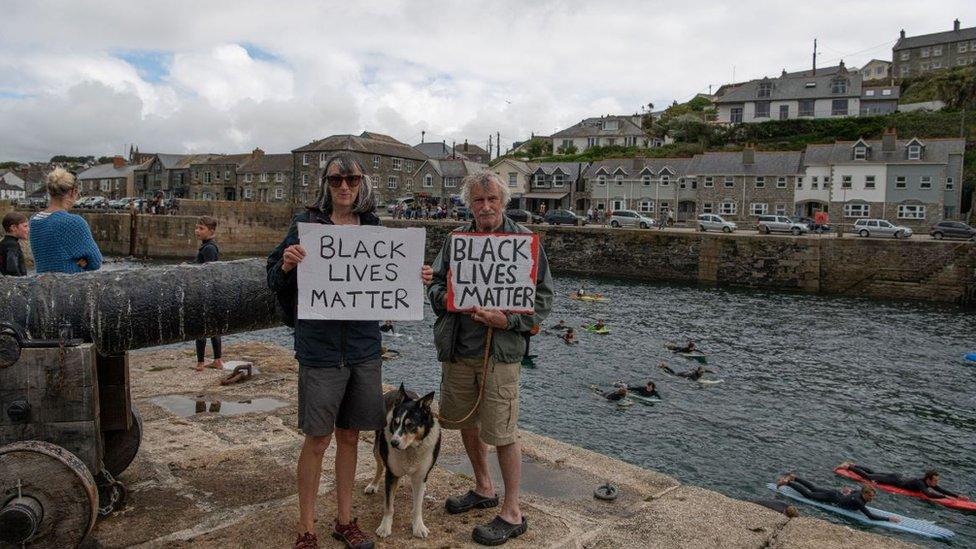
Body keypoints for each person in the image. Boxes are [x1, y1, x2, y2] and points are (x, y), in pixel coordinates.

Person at [267, 152, 433, 549]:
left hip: (363, 349)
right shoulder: (305, 226)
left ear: (362, 184)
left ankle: (344, 520)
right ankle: (306, 528)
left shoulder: (373, 227)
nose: (344, 187)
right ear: (326, 184)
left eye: (352, 180)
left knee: (349, 437)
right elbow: (273, 279)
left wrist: (417, 275)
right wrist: (288, 265)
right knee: (317, 440)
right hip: (320, 350)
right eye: (336, 180)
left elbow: (389, 279)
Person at [428, 171, 553, 546]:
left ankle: (512, 512)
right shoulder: (455, 241)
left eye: (492, 200)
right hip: (458, 351)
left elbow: (543, 300)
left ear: (503, 202)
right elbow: (435, 284)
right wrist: (446, 298)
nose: (485, 207)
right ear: (470, 204)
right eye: (478, 201)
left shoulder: (525, 242)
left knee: (502, 432)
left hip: (499, 355)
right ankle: (484, 488)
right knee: (466, 422)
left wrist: (508, 320)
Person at [29, 168, 103, 273]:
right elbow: (96, 262)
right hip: (68, 286)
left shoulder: (34, 220)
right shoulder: (73, 222)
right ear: (73, 192)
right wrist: (81, 261)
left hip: (42, 285)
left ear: (50, 191)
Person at [776, 474, 899, 523]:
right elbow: (870, 516)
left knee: (814, 488)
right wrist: (889, 519)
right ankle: (787, 483)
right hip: (831, 498)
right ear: (865, 494)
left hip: (835, 493)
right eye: (871, 496)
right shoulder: (858, 501)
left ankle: (795, 478)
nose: (872, 498)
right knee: (809, 494)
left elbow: (855, 491)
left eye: (873, 496)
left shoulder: (860, 494)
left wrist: (849, 490)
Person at [838, 463, 968, 500]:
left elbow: (939, 489)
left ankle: (854, 465)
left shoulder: (927, 482)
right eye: (935, 480)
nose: (936, 483)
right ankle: (849, 467)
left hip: (897, 476)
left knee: (873, 473)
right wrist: (944, 497)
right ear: (929, 479)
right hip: (893, 480)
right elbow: (928, 494)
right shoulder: (921, 483)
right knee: (869, 477)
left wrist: (957, 496)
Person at [194, 216, 223, 372]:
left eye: (201, 228)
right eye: (197, 228)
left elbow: (209, 271)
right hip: (210, 293)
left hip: (206, 293)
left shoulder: (209, 248)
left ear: (211, 231)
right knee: (213, 327)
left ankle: (200, 363)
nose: (197, 231)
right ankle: (217, 360)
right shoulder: (207, 246)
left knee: (201, 327)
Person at [1, 212, 29, 276]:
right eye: (25, 226)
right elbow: (11, 268)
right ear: (13, 227)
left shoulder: (3, 243)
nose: (28, 229)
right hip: (16, 284)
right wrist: (22, 282)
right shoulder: (13, 245)